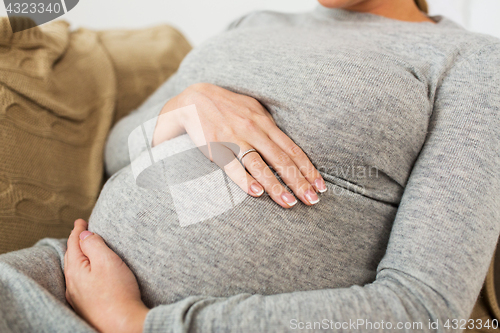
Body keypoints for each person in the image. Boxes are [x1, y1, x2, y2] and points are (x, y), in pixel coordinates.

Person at [1, 0, 499, 332]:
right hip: (58, 276)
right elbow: (116, 152)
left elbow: (425, 308)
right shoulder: (253, 24)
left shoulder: (472, 61)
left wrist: (133, 321)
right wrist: (185, 105)